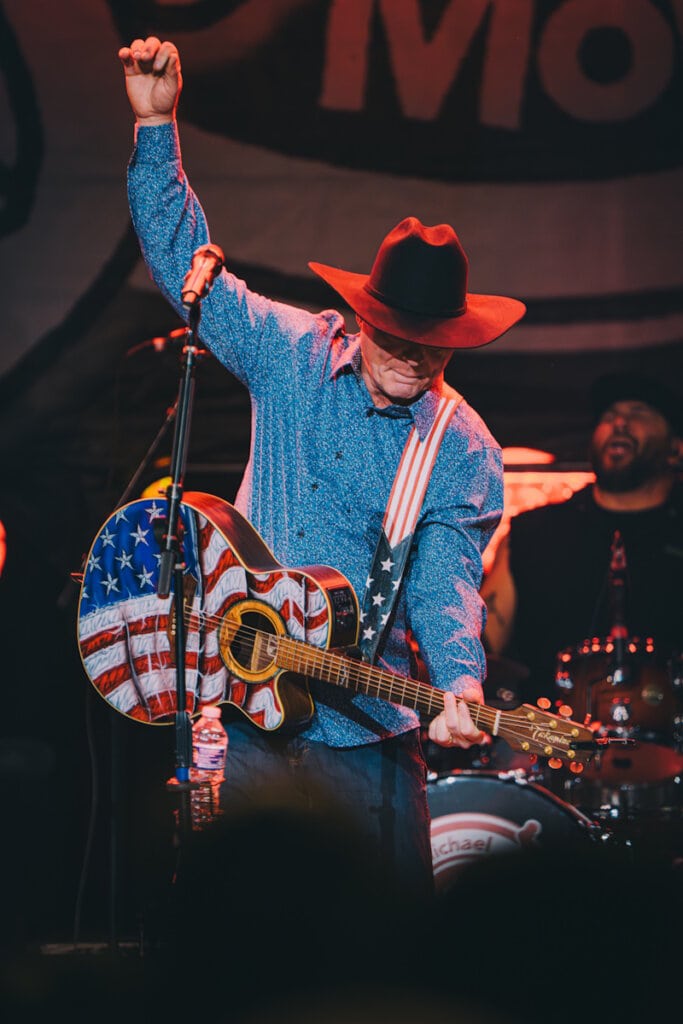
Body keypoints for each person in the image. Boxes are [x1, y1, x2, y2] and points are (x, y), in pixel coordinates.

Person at [117, 36, 526, 898]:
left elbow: (445, 585)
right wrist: (158, 125)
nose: (416, 359)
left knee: (376, 947)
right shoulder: (292, 353)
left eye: (435, 346)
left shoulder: (458, 443)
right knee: (246, 949)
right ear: (361, 318)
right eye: (398, 339)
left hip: (364, 733)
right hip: (244, 716)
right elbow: (182, 269)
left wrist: (458, 685)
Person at [481, 371, 682, 706]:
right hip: (542, 742)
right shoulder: (532, 532)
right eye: (608, 416)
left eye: (638, 414)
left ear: (675, 450)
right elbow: (482, 645)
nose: (619, 422)